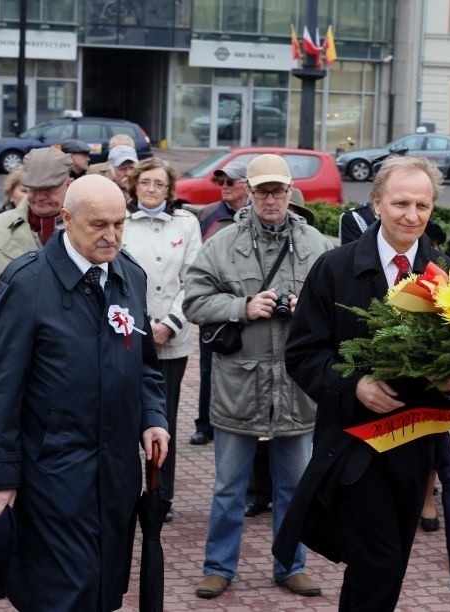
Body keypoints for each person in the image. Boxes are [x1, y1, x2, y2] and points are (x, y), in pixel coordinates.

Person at [274, 156, 450, 611]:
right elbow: (302, 354)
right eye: (401, 203)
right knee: (377, 562)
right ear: (377, 202)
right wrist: (354, 386)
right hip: (354, 448)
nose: (412, 215)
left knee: (388, 564)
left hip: (416, 453)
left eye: (423, 205)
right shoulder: (335, 269)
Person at [0, 174, 170, 611]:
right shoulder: (27, 284)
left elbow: (143, 366)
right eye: (98, 224)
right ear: (66, 218)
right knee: (62, 593)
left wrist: (153, 417)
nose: (112, 235)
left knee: (105, 587)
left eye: (119, 224)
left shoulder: (129, 277)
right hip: (53, 474)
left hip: (117, 472)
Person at [183, 153, 331, 600]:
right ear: (249, 192)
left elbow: (339, 307)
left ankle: (291, 565)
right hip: (239, 386)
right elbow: (193, 301)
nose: (271, 198)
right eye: (262, 190)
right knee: (229, 488)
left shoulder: (317, 245)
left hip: (295, 388)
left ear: (290, 192)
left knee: (294, 487)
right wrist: (241, 308)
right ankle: (217, 567)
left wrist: (306, 309)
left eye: (278, 190)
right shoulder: (223, 244)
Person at [122, 157, 202, 522]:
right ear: (134, 186)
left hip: (172, 337)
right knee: (124, 413)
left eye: (159, 184)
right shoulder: (121, 221)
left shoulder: (186, 223)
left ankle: (160, 493)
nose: (151, 189)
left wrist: (169, 323)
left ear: (169, 190)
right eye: (145, 183)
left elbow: (194, 279)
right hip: (126, 334)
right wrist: (141, 326)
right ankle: (123, 488)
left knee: (164, 416)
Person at [0, 147, 72, 348]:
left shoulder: (88, 228)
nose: (40, 196)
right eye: (33, 188)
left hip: (71, 355)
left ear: (68, 184)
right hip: (9, 349)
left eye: (49, 189)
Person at [189, 158, 250, 447]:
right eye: (221, 182)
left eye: (231, 181)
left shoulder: (258, 217)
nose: (224, 187)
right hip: (215, 307)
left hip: (251, 307)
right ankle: (205, 424)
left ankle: (241, 420)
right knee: (208, 366)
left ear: (247, 185)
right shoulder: (208, 215)